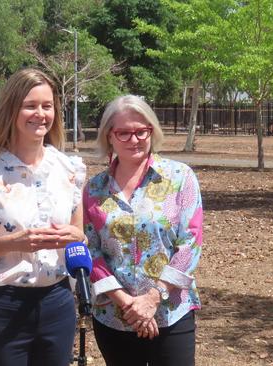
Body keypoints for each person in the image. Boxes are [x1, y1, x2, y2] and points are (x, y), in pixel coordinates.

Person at [0, 68, 86, 366]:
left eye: (47, 106)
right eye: (30, 105)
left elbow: (80, 236)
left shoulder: (70, 170)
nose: (40, 114)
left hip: (58, 302)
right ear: (11, 109)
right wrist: (15, 242)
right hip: (3, 304)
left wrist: (74, 237)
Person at [83, 95, 203, 366]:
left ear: (152, 132)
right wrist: (127, 303)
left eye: (141, 131)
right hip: (115, 316)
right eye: (123, 133)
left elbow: (190, 242)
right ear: (109, 137)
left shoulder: (180, 178)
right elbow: (90, 250)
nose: (134, 139)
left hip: (171, 312)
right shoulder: (94, 189)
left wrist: (153, 297)